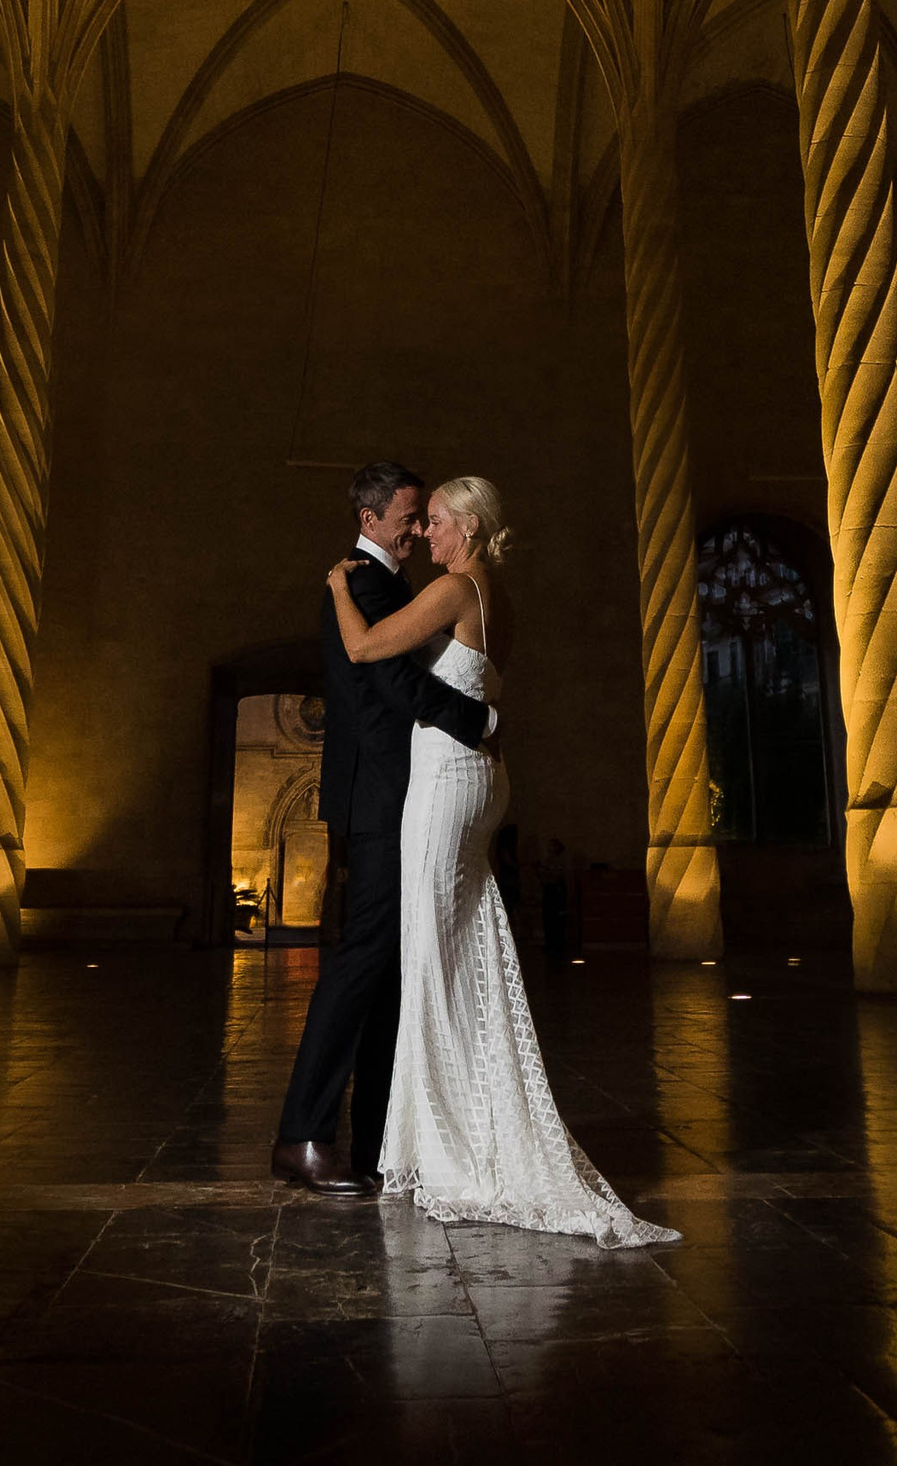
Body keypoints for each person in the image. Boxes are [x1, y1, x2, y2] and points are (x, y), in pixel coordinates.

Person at [328, 474, 677, 1249]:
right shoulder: (497, 595)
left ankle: (452, 1147)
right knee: (466, 951)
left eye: (438, 521)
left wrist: (337, 587)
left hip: (448, 782)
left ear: (471, 527)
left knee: (431, 956)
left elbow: (361, 647)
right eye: (425, 522)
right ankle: (471, 1124)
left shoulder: (457, 588)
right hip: (481, 779)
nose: (428, 534)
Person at [271, 462, 496, 1195]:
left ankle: (374, 1141)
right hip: (379, 798)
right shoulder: (363, 584)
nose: (416, 529)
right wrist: (479, 720)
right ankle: (303, 1135)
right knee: (362, 959)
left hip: (403, 795)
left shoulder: (391, 586)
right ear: (369, 520)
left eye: (424, 518)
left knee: (393, 968)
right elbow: (394, 683)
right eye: (408, 517)